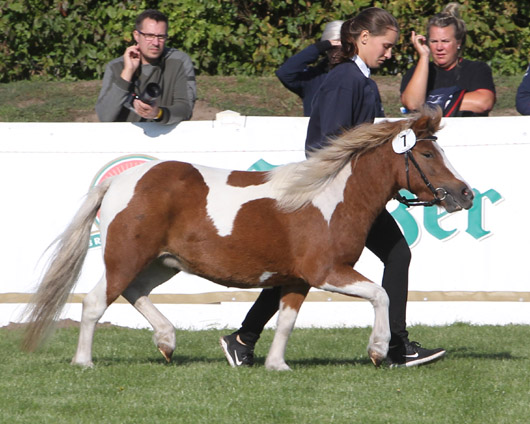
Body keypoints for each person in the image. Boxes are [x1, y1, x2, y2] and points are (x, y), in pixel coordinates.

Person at [220, 7, 446, 369]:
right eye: (385, 45)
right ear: (364, 39)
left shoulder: (359, 81)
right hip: (333, 200)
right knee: (389, 255)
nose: (389, 53)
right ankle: (397, 347)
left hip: (347, 197)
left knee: (299, 269)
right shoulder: (346, 80)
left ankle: (243, 338)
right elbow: (327, 144)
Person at [95, 9, 196, 125]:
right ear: (136, 36)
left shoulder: (179, 61)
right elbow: (104, 116)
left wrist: (158, 113)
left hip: (166, 136)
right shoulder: (115, 67)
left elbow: (186, 109)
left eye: (161, 37)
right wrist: (127, 72)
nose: (156, 43)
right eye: (149, 35)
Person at [400, 3, 495, 117]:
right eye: (434, 41)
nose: (439, 47)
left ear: (458, 42)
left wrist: (429, 104)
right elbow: (412, 104)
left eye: (445, 41)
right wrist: (424, 56)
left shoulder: (476, 69)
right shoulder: (417, 72)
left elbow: (483, 103)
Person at [275, 20, 343, 116]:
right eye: (332, 49)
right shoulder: (313, 79)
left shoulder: (357, 76)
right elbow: (285, 73)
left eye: (342, 48)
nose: (337, 53)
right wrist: (318, 48)